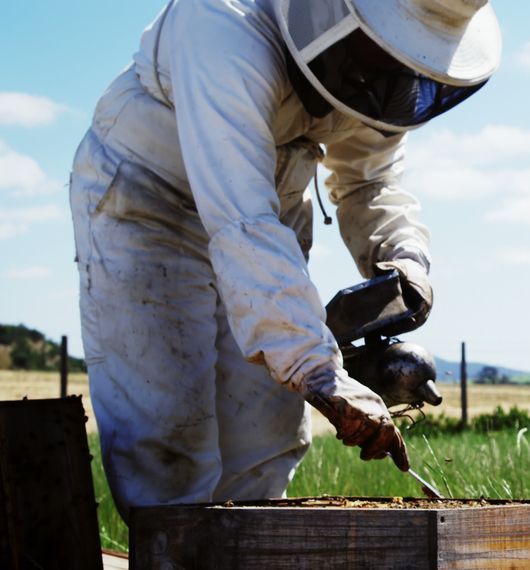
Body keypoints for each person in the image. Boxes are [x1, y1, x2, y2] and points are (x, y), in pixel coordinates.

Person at [68, 0, 500, 519]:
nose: (392, 79)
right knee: (167, 443)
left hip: (271, 208)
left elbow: (370, 181)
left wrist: (404, 261)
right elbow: (240, 221)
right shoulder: (222, 24)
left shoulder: (380, 62)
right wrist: (319, 371)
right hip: (150, 203)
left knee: (263, 443)